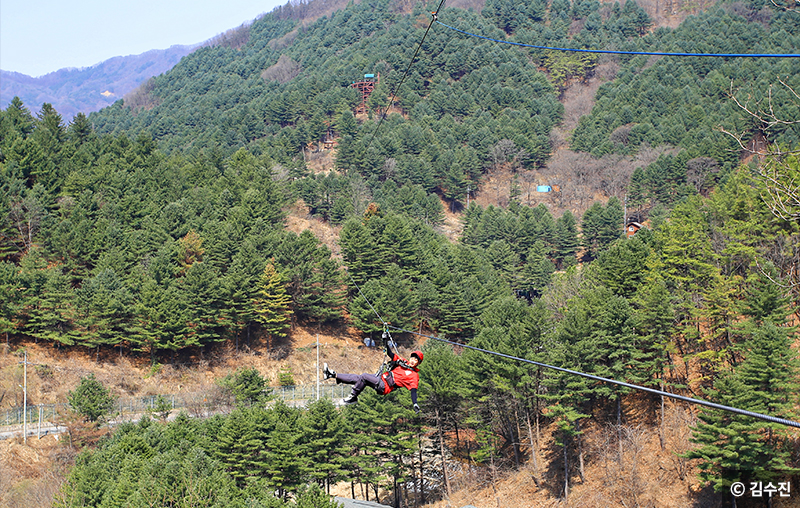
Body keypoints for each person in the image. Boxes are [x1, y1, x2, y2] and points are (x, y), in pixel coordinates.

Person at [323, 334, 422, 413]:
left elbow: (413, 390)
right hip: (380, 378)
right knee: (359, 378)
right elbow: (390, 353)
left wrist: (415, 404)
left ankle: (353, 397)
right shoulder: (403, 361)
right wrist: (385, 341)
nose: (413, 360)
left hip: (384, 386)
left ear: (418, 363)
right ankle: (332, 375)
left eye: (416, 360)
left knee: (364, 376)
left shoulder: (414, 376)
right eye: (413, 358)